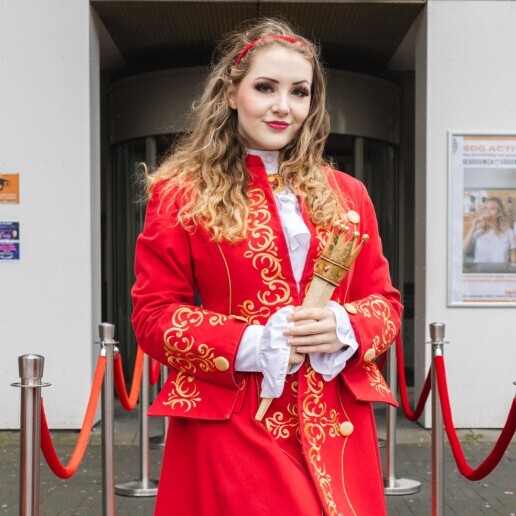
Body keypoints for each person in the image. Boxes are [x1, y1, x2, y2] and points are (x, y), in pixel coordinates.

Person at [132, 18, 402, 515]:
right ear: (232, 93)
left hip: (336, 427)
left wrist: (343, 326)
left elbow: (384, 304)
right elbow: (153, 317)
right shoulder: (178, 194)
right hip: (237, 422)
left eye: (299, 92)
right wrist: (253, 343)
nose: (283, 106)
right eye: (265, 87)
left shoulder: (350, 195)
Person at [463, 196, 516, 264]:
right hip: (480, 272)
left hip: (501, 272)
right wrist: (472, 228)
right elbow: (463, 249)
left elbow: (513, 258)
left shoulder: (509, 232)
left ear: (499, 213)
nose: (487, 212)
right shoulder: (478, 230)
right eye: (485, 208)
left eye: (492, 209)